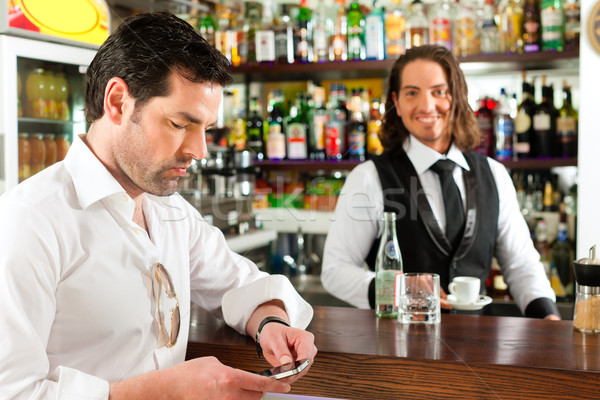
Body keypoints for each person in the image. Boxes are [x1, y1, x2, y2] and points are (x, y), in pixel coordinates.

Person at [0, 12, 317, 400]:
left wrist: (270, 321)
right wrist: (162, 391)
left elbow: (236, 282)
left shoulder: (170, 211)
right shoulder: (28, 222)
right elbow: (11, 391)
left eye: (206, 129)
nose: (199, 150)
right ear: (118, 101)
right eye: (180, 124)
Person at [321, 45, 561, 320]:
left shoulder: (494, 174)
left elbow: (521, 265)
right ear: (397, 104)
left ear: (456, 98)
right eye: (412, 93)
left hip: (480, 350)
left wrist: (548, 317)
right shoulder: (369, 177)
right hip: (397, 352)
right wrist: (397, 288)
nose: (427, 106)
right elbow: (335, 269)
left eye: (438, 91)